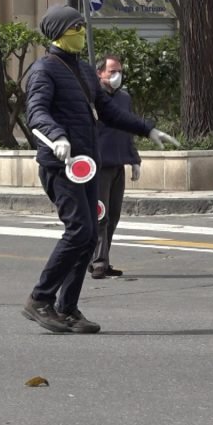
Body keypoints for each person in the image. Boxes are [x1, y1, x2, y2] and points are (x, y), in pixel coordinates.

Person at [23, 5, 179, 333]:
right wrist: (56, 138)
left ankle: (68, 308)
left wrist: (146, 129)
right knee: (79, 230)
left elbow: (108, 110)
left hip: (87, 166)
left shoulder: (80, 70)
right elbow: (36, 113)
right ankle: (40, 299)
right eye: (75, 28)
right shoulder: (43, 70)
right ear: (59, 34)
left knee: (91, 233)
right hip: (60, 165)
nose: (81, 33)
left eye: (82, 27)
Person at [89, 53, 141, 279]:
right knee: (101, 215)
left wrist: (134, 159)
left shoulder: (124, 99)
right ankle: (98, 262)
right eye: (112, 71)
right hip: (99, 166)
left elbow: (128, 130)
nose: (117, 75)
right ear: (100, 73)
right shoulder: (91, 98)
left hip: (118, 164)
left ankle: (102, 259)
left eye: (119, 71)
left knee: (114, 214)